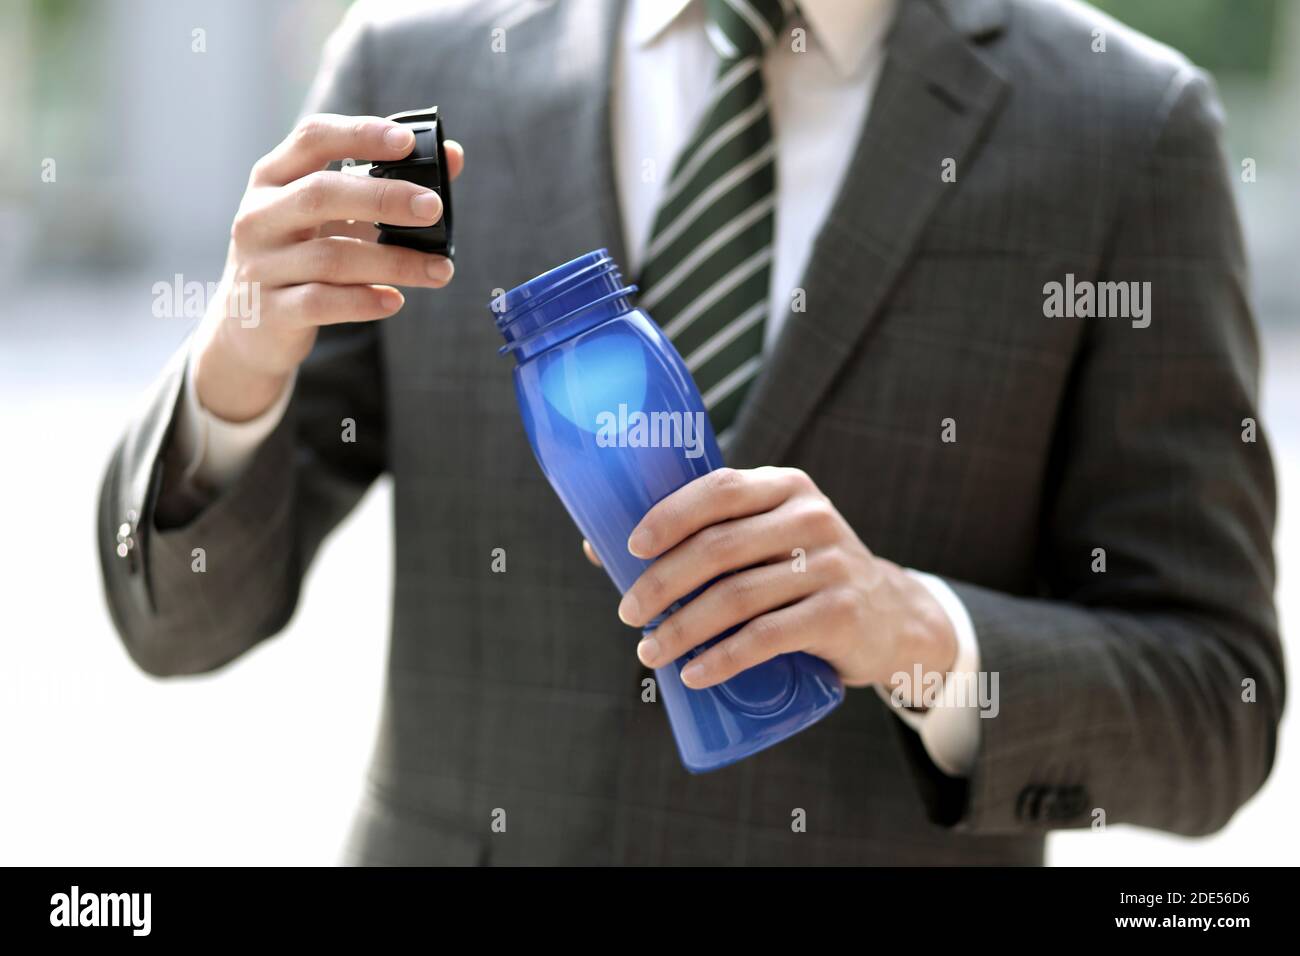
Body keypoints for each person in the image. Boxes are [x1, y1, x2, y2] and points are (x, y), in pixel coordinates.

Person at [98, 0, 1284, 865]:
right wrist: (234, 372)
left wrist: (917, 631)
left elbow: (1215, 707)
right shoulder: (418, 68)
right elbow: (178, 623)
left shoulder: (1122, 128)